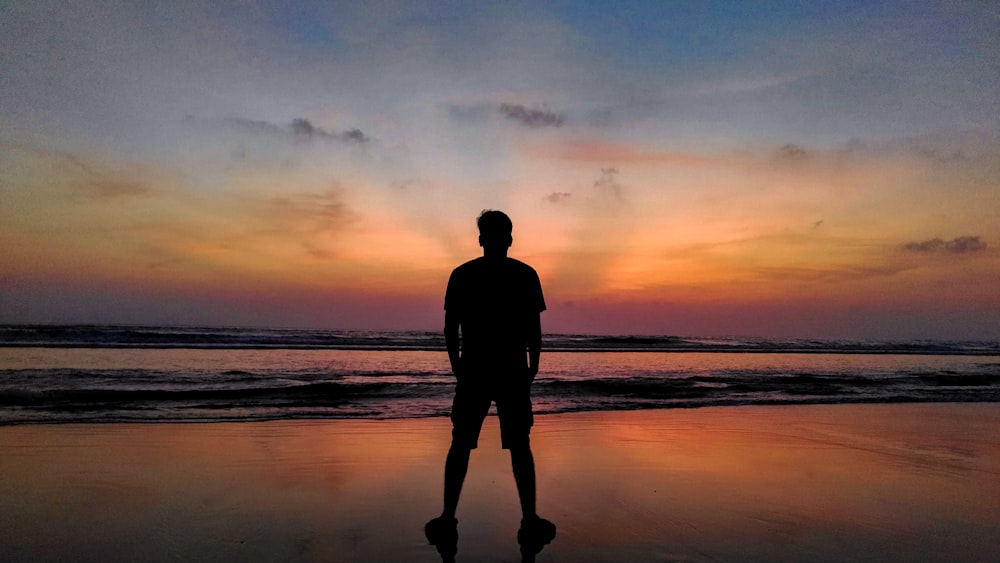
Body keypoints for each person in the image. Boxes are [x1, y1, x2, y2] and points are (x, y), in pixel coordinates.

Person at [425, 210, 556, 557]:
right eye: (497, 234)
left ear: (487, 238)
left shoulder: (467, 275)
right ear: (495, 238)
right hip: (497, 370)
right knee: (511, 444)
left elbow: (451, 327)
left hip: (486, 370)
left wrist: (457, 365)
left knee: (468, 443)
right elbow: (532, 329)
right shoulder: (520, 275)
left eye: (499, 234)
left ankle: (451, 517)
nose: (499, 240)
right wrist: (533, 365)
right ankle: (527, 518)